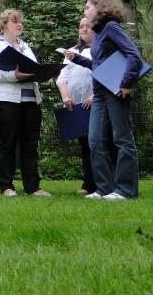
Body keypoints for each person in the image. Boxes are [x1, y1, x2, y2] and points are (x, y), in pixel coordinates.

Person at [65, 0, 142, 201]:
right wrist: (77, 58)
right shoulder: (99, 33)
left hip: (115, 91)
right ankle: (105, 188)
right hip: (99, 93)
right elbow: (99, 65)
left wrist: (126, 83)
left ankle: (125, 190)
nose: (85, 11)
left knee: (122, 139)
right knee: (95, 141)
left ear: (100, 9)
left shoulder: (111, 27)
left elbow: (133, 54)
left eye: (87, 7)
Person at [0, 9, 50, 197]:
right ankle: (6, 186)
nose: (19, 24)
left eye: (20, 21)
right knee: (8, 143)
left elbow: (34, 69)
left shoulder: (25, 46)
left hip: (31, 100)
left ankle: (33, 186)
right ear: (4, 25)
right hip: (8, 100)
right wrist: (14, 75)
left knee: (30, 144)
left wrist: (47, 73)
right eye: (15, 21)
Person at [56, 17, 97, 195]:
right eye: (81, 26)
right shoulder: (72, 52)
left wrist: (95, 96)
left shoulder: (100, 50)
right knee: (85, 146)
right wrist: (66, 97)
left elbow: (106, 73)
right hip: (78, 107)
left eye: (88, 26)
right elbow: (62, 77)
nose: (84, 29)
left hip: (98, 103)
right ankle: (88, 184)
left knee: (100, 143)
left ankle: (106, 183)